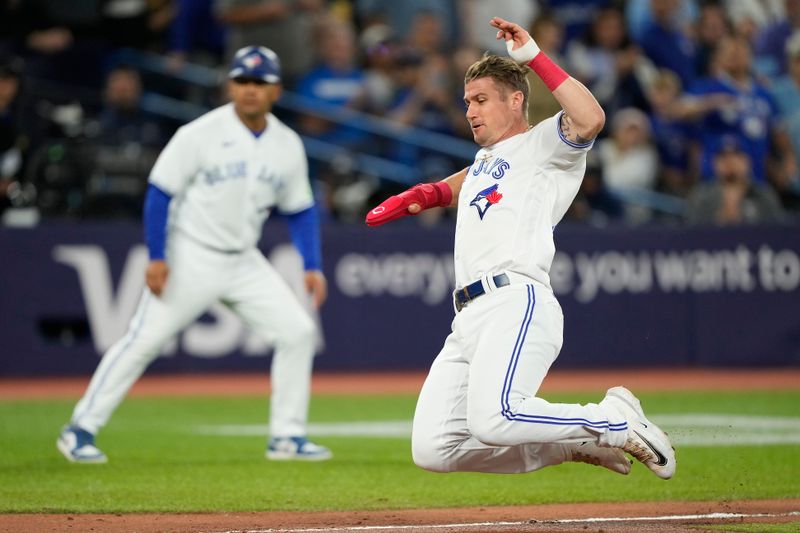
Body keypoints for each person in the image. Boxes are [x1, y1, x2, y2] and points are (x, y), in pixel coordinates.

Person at [365, 17, 676, 479]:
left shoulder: (544, 145)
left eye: (481, 100)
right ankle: (572, 446)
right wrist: (430, 194)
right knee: (435, 448)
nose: (470, 110)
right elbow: (477, 179)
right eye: (467, 101)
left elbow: (591, 119)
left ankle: (613, 419)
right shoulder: (489, 160)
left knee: (496, 418)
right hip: (469, 315)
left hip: (516, 299)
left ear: (516, 100)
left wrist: (532, 56)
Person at [57, 46, 331, 463]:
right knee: (142, 340)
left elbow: (300, 209)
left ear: (276, 89)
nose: (250, 90)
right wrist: (157, 255)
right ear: (230, 85)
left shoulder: (286, 143)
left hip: (243, 259)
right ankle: (79, 428)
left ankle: (286, 436)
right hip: (192, 253)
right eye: (242, 81)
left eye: (260, 82)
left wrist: (311, 264)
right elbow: (159, 193)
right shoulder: (199, 133)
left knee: (297, 331)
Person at [686, 136, 786, 225]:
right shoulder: (702, 195)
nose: (730, 161)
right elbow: (692, 231)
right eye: (723, 157)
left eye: (736, 155)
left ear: (747, 161)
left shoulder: (763, 193)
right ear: (714, 164)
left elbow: (778, 229)